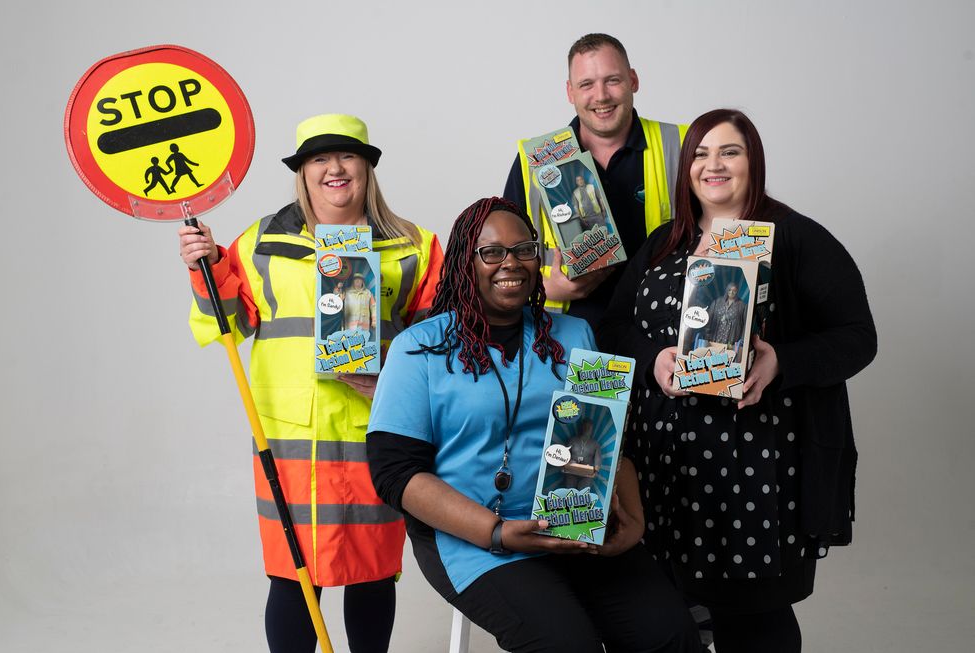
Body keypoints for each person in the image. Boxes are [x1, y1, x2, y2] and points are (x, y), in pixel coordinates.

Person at [597, 109, 877, 652]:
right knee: (665, 616)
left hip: (756, 476)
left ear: (755, 162)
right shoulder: (664, 244)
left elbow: (857, 337)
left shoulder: (794, 237)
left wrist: (781, 363)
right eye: (700, 153)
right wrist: (654, 358)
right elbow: (613, 326)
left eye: (730, 151)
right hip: (666, 472)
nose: (713, 165)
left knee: (752, 625)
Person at [367, 197, 700, 653]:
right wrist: (497, 531)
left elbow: (607, 438)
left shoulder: (574, 335)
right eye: (492, 252)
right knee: (566, 645)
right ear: (466, 262)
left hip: (574, 526)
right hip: (476, 541)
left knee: (671, 635)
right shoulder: (418, 349)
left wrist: (635, 519)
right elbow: (395, 474)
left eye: (524, 249)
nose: (512, 263)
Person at [177, 113, 444, 653]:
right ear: (302, 172)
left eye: (346, 156)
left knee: (372, 573)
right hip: (290, 440)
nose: (334, 168)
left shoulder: (414, 245)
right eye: (318, 158)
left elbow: (439, 345)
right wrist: (205, 267)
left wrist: (389, 372)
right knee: (293, 575)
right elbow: (231, 323)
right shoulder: (259, 243)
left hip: (378, 433)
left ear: (367, 168)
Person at [504, 33, 687, 326]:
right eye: (586, 84)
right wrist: (545, 288)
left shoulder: (683, 144)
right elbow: (501, 259)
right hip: (569, 336)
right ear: (570, 92)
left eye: (612, 80)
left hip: (663, 334)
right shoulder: (535, 160)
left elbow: (726, 227)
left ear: (634, 80)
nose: (601, 96)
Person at [343, 272, 377, 338]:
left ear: (362, 281)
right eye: (355, 279)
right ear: (353, 281)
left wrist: (374, 321)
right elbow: (337, 301)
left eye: (360, 279)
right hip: (349, 326)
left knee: (363, 345)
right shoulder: (346, 292)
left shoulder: (368, 293)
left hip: (364, 326)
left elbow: (374, 307)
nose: (358, 281)